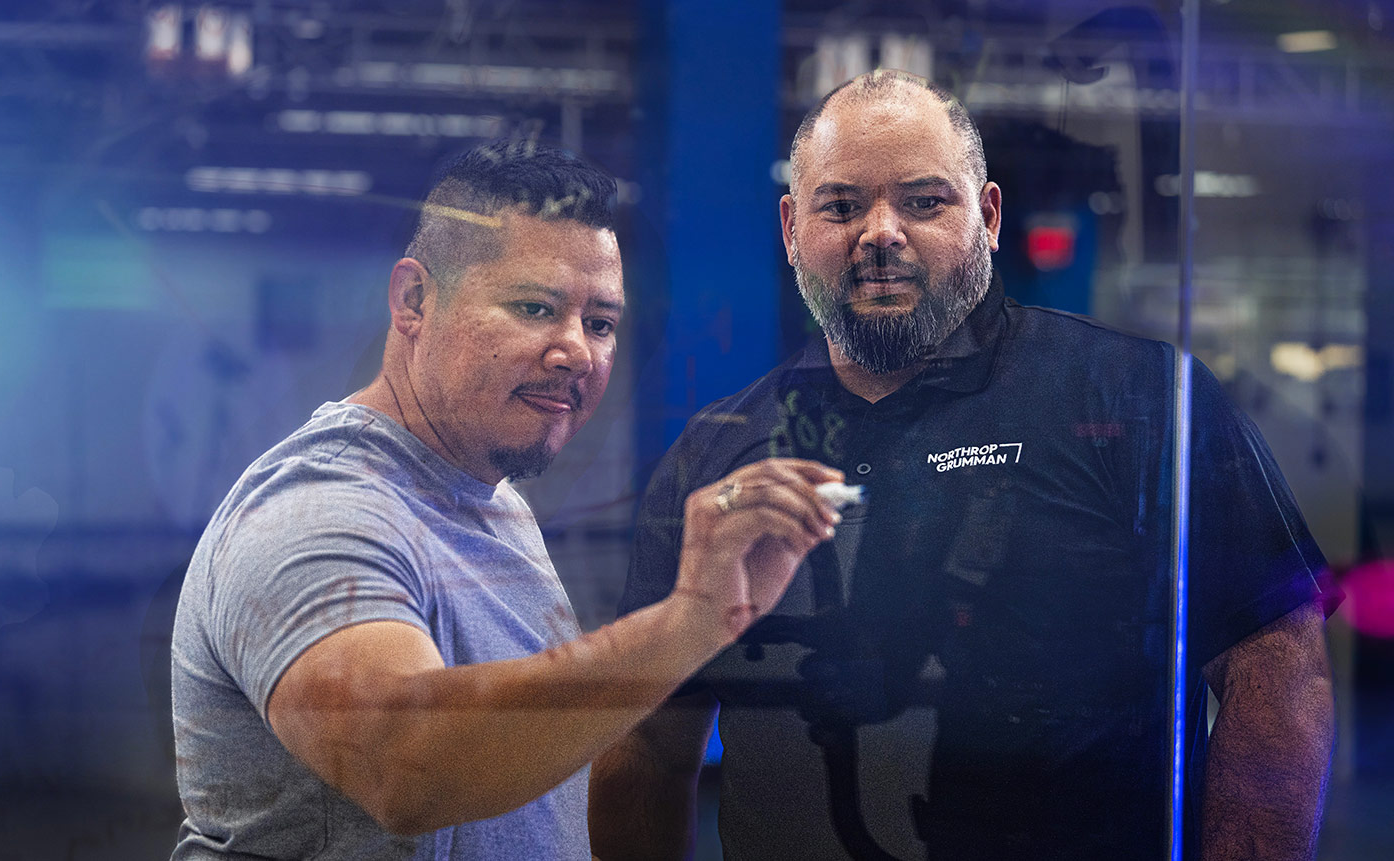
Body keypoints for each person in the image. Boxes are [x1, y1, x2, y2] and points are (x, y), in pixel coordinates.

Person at [589, 71, 1337, 861]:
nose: (880, 232)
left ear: (987, 215)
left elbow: (1276, 667)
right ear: (790, 227)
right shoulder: (718, 450)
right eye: (840, 205)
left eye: (923, 201)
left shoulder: (1139, 398)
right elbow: (648, 743)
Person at [168, 139, 847, 860]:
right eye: (534, 306)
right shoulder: (315, 511)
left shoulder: (491, 497)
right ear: (414, 300)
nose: (577, 351)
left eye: (601, 323)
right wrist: (690, 621)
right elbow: (406, 764)